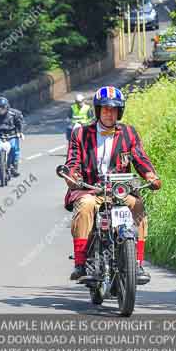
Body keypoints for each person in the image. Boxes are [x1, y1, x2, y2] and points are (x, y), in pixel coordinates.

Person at [61, 85, 162, 284]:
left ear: (119, 111)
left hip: (118, 191)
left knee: (138, 206)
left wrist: (151, 175)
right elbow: (73, 161)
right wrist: (71, 177)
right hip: (89, 188)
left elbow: (140, 158)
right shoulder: (80, 133)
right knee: (86, 206)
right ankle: (81, 264)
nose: (109, 113)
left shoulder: (129, 133)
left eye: (114, 109)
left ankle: (138, 264)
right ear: (98, 111)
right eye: (105, 109)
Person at [0, 97, 24, 178]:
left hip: (12, 135)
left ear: (6, 107)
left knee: (14, 148)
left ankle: (14, 167)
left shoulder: (14, 114)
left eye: (1, 109)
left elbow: (19, 124)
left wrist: (20, 132)